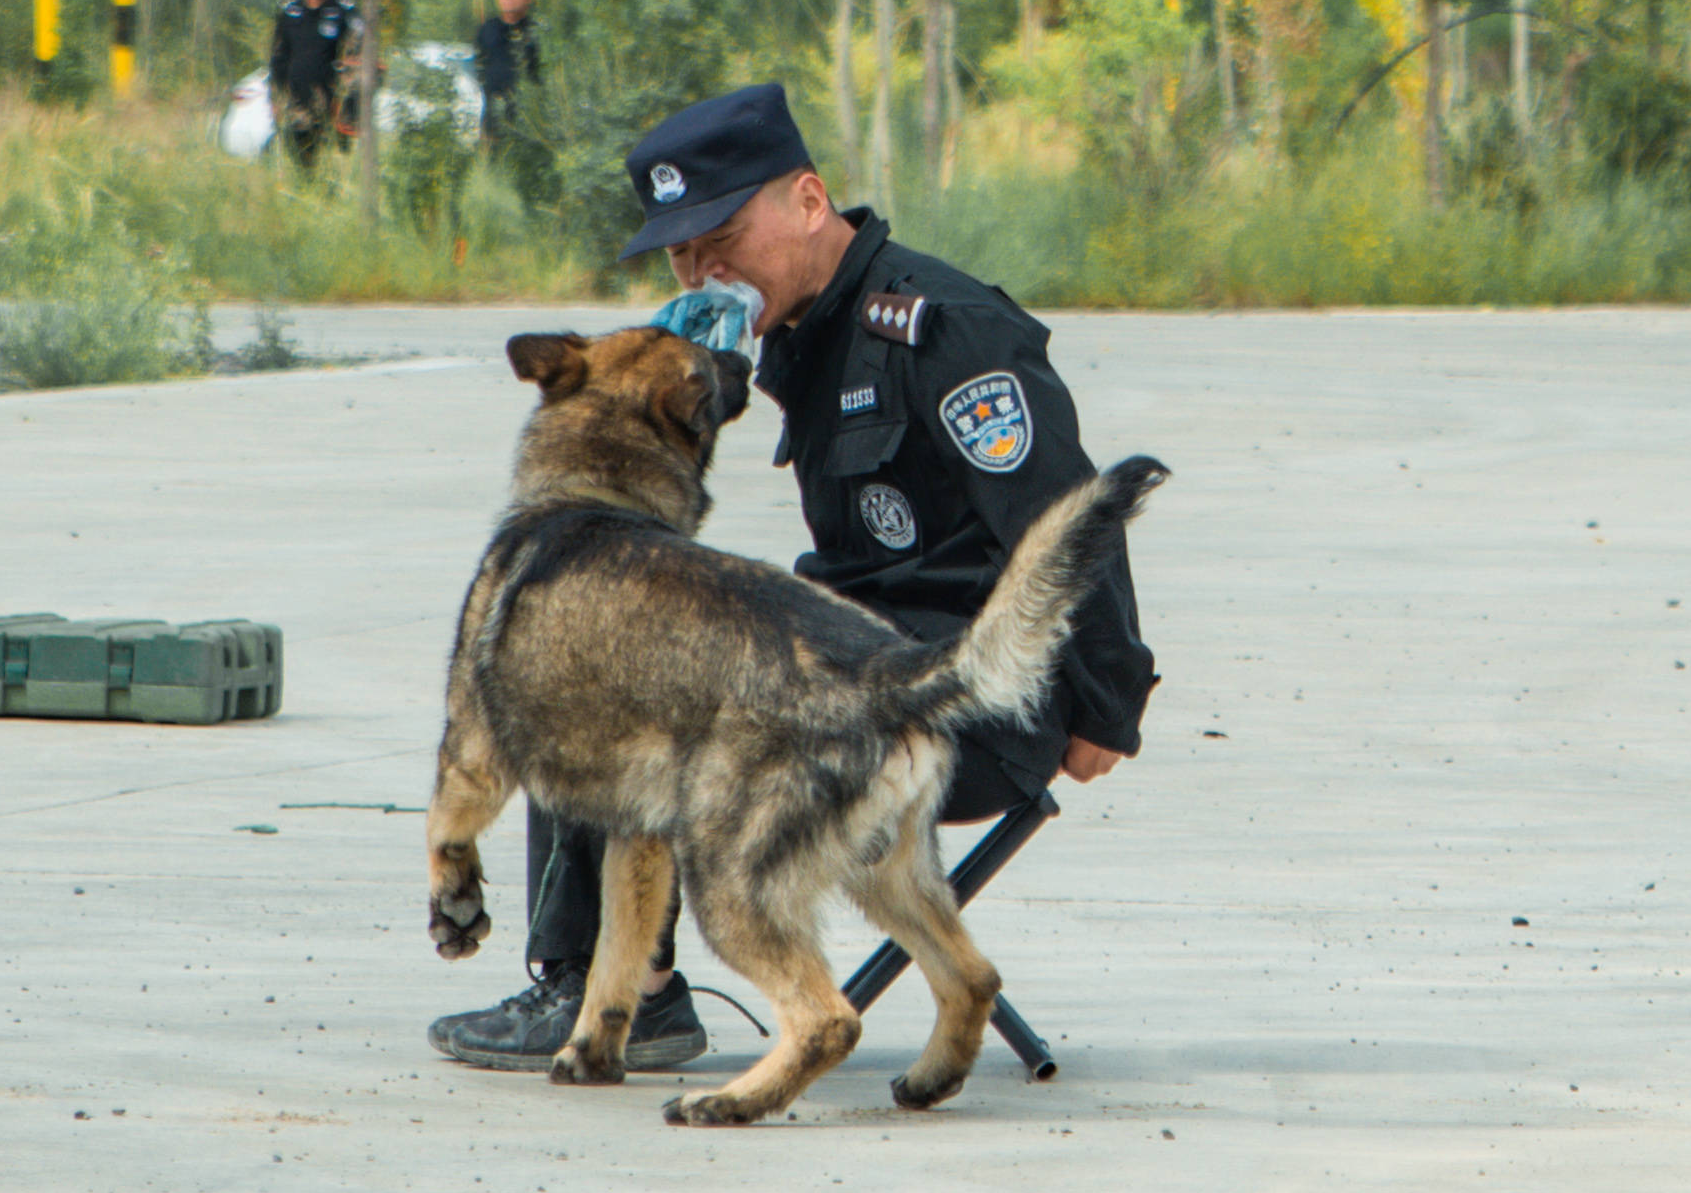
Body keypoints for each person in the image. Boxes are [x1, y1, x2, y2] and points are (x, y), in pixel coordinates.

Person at [429, 81, 1157, 1073]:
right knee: (586, 647)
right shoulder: (801, 337)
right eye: (683, 252)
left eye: (722, 236)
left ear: (808, 203)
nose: (703, 268)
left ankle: (624, 993)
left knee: (630, 674)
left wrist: (1106, 709)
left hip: (965, 703)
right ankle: (614, 991)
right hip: (844, 672)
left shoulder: (940, 331)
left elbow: (1068, 523)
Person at [264, 0, 359, 172]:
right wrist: (275, 95)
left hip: (329, 96)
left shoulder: (343, 11)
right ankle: (306, 186)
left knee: (331, 152)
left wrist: (346, 99)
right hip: (296, 96)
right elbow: (277, 56)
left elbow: (354, 55)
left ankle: (329, 191)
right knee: (298, 149)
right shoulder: (290, 11)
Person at [472, 0, 541, 144]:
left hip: (529, 124)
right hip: (493, 122)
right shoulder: (487, 29)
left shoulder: (537, 32)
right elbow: (477, 71)